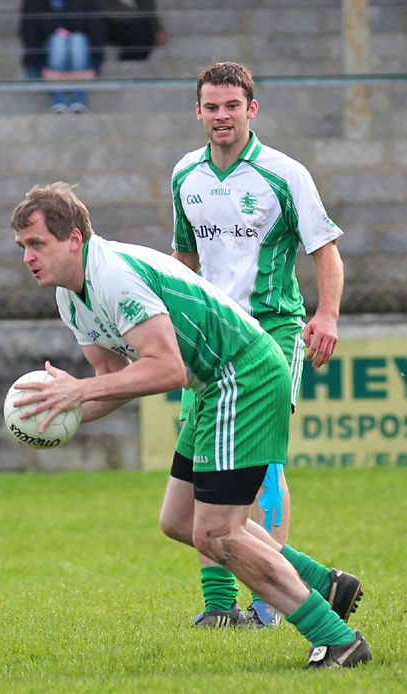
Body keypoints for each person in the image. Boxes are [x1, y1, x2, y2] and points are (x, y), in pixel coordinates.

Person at [9, 182, 371, 670]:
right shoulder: (70, 297)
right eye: (22, 247)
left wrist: (77, 392)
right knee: (180, 522)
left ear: (74, 239)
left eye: (37, 244)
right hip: (213, 383)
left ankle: (338, 640)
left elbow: (167, 370)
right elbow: (110, 380)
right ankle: (324, 583)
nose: (28, 257)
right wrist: (57, 414)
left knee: (218, 534)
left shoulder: (113, 275)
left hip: (243, 373)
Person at [171, 61, 345, 628]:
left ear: (252, 109)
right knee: (202, 465)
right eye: (212, 107)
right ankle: (219, 605)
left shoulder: (284, 174)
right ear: (198, 111)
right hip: (207, 340)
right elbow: (183, 262)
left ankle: (271, 600)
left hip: (271, 332)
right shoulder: (185, 177)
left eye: (232, 106)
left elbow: (324, 250)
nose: (222, 116)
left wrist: (327, 314)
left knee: (260, 466)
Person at [19, 0, 106, 114]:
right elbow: (29, 37)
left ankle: (78, 100)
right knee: (58, 41)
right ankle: (58, 101)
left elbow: (98, 33)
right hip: (46, 64)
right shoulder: (34, 3)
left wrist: (93, 69)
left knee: (78, 39)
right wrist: (43, 70)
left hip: (80, 62)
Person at [101, 0, 167, 61]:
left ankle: (127, 68)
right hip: (100, 17)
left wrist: (157, 28)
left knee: (145, 33)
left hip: (124, 18)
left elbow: (146, 5)